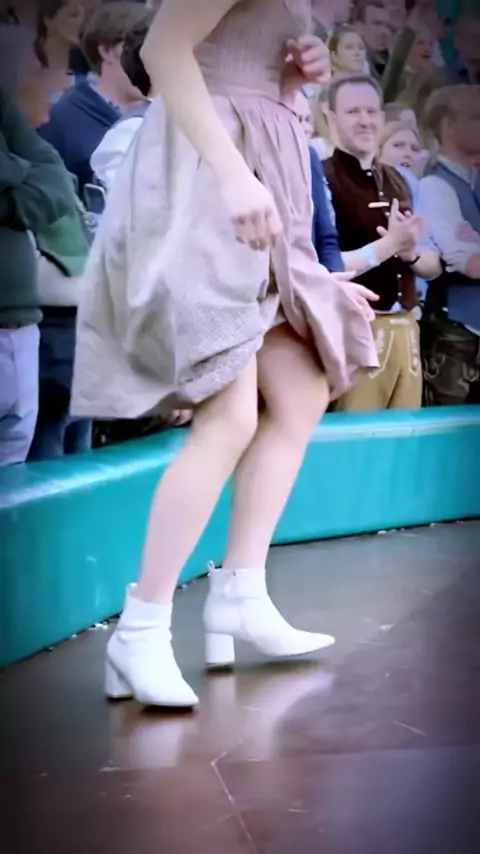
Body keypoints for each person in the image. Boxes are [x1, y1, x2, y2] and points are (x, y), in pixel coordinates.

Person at [71, 0, 380, 709]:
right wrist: (236, 173)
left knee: (300, 387)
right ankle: (141, 627)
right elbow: (165, 51)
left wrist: (290, 82)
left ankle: (240, 593)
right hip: (211, 178)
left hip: (264, 167)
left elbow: (236, 58)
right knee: (230, 416)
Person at [323, 74, 440, 412]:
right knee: (355, 437)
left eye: (371, 111)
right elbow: (320, 265)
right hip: (352, 331)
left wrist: (411, 253)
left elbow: (433, 265)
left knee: (405, 437)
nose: (365, 120)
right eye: (353, 112)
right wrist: (389, 245)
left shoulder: (404, 180)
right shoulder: (321, 178)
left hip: (408, 329)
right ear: (331, 118)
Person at [0, 41, 80, 466]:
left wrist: (12, 184)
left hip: (24, 331)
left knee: (20, 485)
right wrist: (16, 170)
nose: (53, 85)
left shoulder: (8, 116)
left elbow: (57, 185)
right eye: (36, 74)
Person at [38, 1, 150, 195]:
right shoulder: (61, 121)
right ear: (107, 50)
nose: (151, 60)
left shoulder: (166, 111)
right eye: (140, 50)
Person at [419, 85, 480, 405]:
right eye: (476, 117)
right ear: (448, 126)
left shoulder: (474, 181)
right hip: (455, 340)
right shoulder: (435, 185)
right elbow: (470, 263)